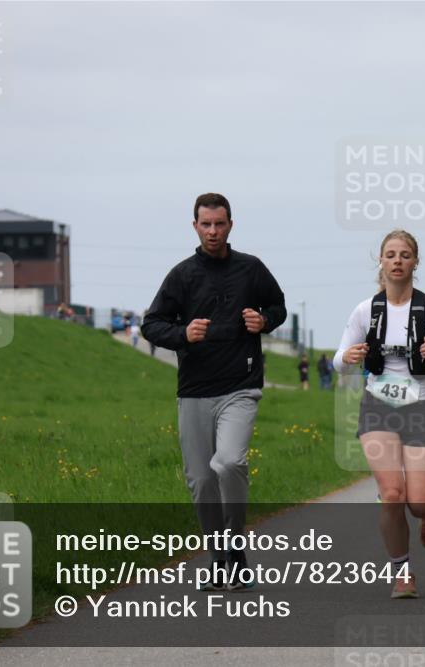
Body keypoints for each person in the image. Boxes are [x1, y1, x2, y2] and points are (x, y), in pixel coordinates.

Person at [141, 192, 286, 588]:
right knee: (201, 480)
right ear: (195, 226)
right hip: (194, 390)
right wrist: (183, 334)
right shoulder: (182, 275)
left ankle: (235, 550)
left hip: (240, 386)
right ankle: (219, 556)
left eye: (219, 224)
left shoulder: (251, 269)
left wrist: (263, 320)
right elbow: (151, 324)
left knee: (229, 463)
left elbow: (278, 306)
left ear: (230, 225)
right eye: (206, 224)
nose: (213, 231)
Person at [333, 229, 425, 599]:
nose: (397, 261)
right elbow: (338, 362)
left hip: (424, 406)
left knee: (418, 502)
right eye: (390, 254)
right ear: (380, 260)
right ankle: (403, 573)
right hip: (378, 406)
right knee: (391, 494)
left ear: (415, 262)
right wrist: (348, 358)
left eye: (404, 255)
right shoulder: (365, 310)